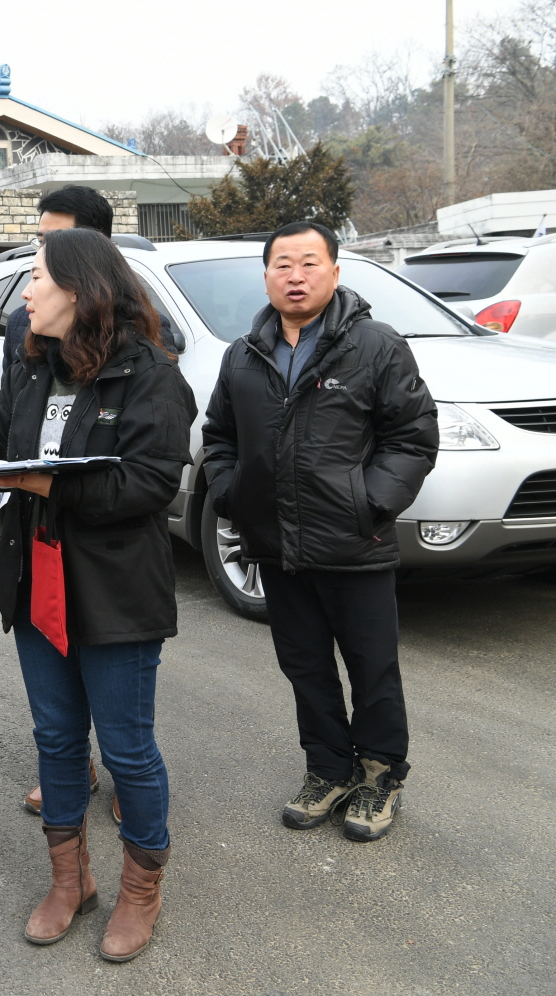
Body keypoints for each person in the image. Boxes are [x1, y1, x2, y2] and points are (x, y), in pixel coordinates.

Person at [0, 227, 196, 961]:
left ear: (80, 289)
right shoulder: (33, 364)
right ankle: (69, 881)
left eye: (38, 278)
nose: (28, 293)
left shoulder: (151, 376)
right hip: (35, 577)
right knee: (55, 739)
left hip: (114, 589)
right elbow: (7, 452)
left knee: (128, 750)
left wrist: (42, 481)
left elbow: (147, 485)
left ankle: (141, 888)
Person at [200, 221, 437, 842]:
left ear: (335, 270)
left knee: (372, 668)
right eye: (283, 264)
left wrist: (370, 504)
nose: (296, 276)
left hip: (354, 546)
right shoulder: (243, 356)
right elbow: (219, 438)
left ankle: (380, 775)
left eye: (309, 263)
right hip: (276, 547)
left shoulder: (375, 346)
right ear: (267, 276)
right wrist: (231, 495)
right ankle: (328, 769)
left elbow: (412, 437)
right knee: (305, 667)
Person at [2, 184, 118, 824]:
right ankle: (72, 775)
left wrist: (54, 485)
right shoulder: (28, 326)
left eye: (50, 246)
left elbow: (146, 474)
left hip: (109, 552)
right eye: (38, 240)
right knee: (54, 696)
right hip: (37, 542)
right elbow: (9, 424)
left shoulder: (138, 335)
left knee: (120, 698)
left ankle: (124, 771)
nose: (33, 266)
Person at [3, 185, 115, 370]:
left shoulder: (137, 327)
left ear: (97, 246)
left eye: (57, 242)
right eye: (41, 242)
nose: (44, 252)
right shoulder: (21, 323)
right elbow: (11, 398)